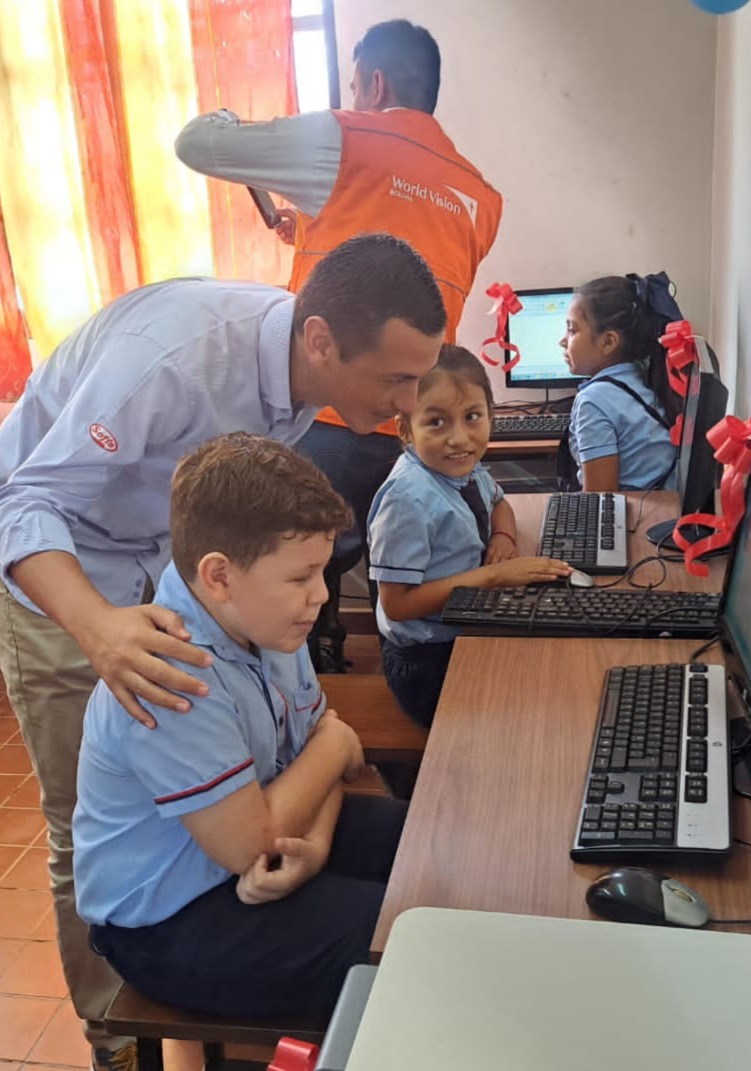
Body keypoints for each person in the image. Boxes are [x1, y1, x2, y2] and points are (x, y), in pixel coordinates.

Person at [0, 233, 444, 1071]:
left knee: (231, 768)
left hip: (170, 565)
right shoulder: (172, 360)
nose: (408, 404)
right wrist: (101, 627)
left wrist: (313, 793)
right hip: (51, 564)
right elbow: (25, 504)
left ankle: (241, 947)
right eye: (397, 380)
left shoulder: (296, 390)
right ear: (323, 341)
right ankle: (114, 1035)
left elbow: (306, 737)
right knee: (83, 816)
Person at [176, 19, 503, 665]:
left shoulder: (348, 138)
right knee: (400, 569)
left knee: (287, 574)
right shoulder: (480, 196)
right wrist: (309, 224)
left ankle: (301, 680)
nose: (352, 98)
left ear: (374, 84)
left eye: (354, 87)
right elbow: (405, 262)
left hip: (328, 415)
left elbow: (198, 144)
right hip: (415, 414)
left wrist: (229, 114)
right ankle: (392, 675)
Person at [75, 434, 405, 1024]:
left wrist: (316, 844)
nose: (321, 595)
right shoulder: (172, 671)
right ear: (220, 577)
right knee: (407, 942)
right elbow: (250, 843)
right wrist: (333, 745)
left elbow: (326, 757)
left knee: (429, 847)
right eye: (302, 577)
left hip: (265, 838)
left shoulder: (267, 624)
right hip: (171, 920)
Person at [368, 346, 571, 732]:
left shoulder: (465, 469)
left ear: (492, 416)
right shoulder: (407, 501)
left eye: (472, 417)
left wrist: (503, 538)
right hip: (427, 661)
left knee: (555, 664)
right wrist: (493, 576)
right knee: (529, 717)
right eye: (436, 422)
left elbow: (499, 503)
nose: (459, 438)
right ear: (405, 429)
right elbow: (397, 604)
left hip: (465, 623)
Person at [558, 274, 683, 493]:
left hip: (633, 510)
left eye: (572, 330)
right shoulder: (645, 376)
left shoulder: (593, 401)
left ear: (608, 342)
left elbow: (599, 498)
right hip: (663, 504)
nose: (562, 341)